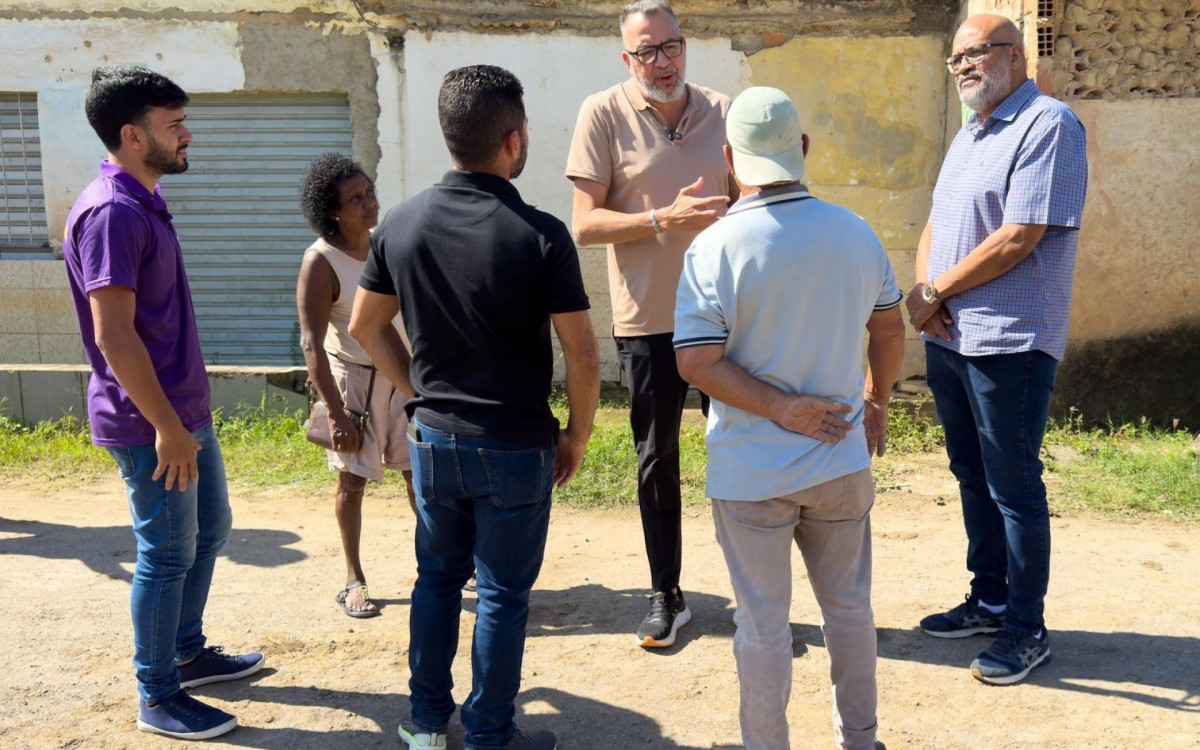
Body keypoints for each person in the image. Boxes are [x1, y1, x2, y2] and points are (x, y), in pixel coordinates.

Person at [350, 65, 601, 750]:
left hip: (434, 439)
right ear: (513, 141)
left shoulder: (398, 225)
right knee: (500, 594)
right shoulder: (541, 233)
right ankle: (490, 733)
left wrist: (412, 390)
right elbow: (582, 354)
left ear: (451, 136)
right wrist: (578, 435)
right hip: (516, 445)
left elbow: (364, 327)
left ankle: (426, 724)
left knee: (436, 580)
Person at [675, 86, 904, 750]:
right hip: (840, 461)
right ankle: (860, 740)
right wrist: (876, 401)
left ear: (729, 159)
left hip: (751, 475)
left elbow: (696, 362)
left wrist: (780, 409)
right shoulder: (856, 233)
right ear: (802, 150)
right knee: (849, 612)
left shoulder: (714, 248)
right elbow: (889, 331)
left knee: (764, 626)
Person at [60, 66, 264, 741]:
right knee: (167, 553)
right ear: (132, 134)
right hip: (152, 423)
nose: (188, 135)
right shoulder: (112, 210)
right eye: (173, 125)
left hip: (180, 413)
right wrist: (167, 429)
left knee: (209, 533)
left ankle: (185, 649)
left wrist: (185, 420)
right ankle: (157, 693)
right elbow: (112, 334)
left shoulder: (140, 198)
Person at [904, 14, 1088, 686]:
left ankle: (1025, 627)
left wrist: (934, 292)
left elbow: (1021, 235)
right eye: (955, 59)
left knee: (1013, 484)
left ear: (1014, 55)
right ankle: (989, 598)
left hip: (1011, 341)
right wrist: (927, 293)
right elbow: (935, 219)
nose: (961, 67)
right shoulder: (971, 132)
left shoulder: (1048, 124)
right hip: (952, 336)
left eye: (973, 54)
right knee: (969, 472)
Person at [565, 0, 738, 648]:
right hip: (648, 323)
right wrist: (661, 220)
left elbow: (755, 201)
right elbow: (583, 224)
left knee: (740, 453)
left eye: (672, 47)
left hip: (727, 316)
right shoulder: (601, 114)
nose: (663, 62)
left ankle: (754, 592)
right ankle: (666, 593)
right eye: (647, 52)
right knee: (655, 458)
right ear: (626, 58)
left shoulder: (723, 111)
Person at [296, 153, 417, 618]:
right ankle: (353, 580)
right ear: (332, 210)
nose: (370, 203)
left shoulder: (387, 243)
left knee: (420, 479)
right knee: (352, 483)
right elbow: (311, 344)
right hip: (354, 387)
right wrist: (337, 413)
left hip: (403, 379)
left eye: (369, 192)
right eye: (356, 199)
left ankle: (446, 565)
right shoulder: (320, 262)